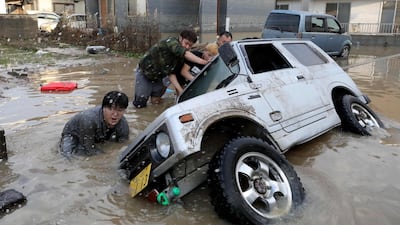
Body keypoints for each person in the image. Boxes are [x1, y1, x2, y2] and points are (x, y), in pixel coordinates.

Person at [133, 29, 209, 108]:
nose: (187, 47)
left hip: (159, 76)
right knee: (140, 104)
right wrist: (204, 62)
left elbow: (171, 74)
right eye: (186, 43)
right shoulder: (171, 42)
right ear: (180, 38)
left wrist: (180, 90)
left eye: (190, 45)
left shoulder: (180, 58)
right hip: (145, 73)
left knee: (156, 102)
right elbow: (184, 53)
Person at [60, 91, 129, 158]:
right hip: (73, 134)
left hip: (97, 133)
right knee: (67, 156)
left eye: (120, 110)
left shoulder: (123, 124)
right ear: (103, 108)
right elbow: (88, 148)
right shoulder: (89, 119)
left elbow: (123, 145)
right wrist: (107, 156)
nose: (115, 114)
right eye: (111, 109)